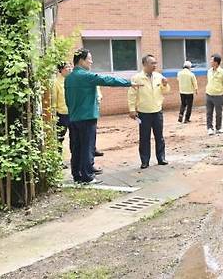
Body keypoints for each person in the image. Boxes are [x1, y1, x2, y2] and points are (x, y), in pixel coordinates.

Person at [65, 49, 135, 184]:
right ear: (81, 60)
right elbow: (107, 80)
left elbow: (67, 99)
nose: (91, 61)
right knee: (87, 147)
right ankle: (87, 176)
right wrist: (129, 83)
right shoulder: (86, 76)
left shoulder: (69, 78)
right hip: (87, 117)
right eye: (89, 59)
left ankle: (77, 175)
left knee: (77, 148)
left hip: (73, 117)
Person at [128, 54, 171, 169]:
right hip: (143, 113)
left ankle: (161, 158)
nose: (155, 65)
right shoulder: (136, 78)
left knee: (159, 136)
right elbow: (132, 95)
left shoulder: (158, 76)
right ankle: (145, 160)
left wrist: (165, 85)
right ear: (145, 64)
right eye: (152, 63)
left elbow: (165, 91)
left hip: (157, 111)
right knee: (144, 137)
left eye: (155, 63)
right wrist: (132, 109)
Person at [52, 62, 72, 167]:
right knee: (60, 138)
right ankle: (59, 161)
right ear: (61, 70)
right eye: (66, 67)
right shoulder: (56, 82)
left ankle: (75, 159)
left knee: (75, 137)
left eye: (70, 66)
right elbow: (54, 100)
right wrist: (54, 114)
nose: (69, 69)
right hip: (62, 114)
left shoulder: (72, 80)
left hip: (73, 113)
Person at [206, 54, 223, 135]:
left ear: (216, 62)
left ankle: (218, 128)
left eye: (212, 60)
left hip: (218, 95)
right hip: (209, 94)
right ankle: (209, 128)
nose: (210, 61)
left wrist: (222, 92)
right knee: (209, 112)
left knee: (218, 113)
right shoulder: (209, 71)